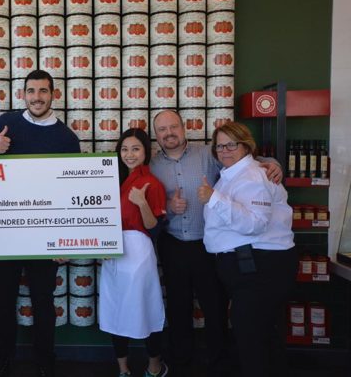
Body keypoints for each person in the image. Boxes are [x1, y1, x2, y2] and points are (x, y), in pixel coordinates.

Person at [149, 110, 282, 376]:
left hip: (208, 246)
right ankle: (181, 364)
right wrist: (168, 206)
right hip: (173, 245)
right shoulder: (152, 165)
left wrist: (270, 161)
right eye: (162, 130)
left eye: (173, 126)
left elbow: (241, 160)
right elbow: (153, 206)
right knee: (177, 307)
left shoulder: (208, 155)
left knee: (215, 307)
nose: (168, 133)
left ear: (183, 128)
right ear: (156, 135)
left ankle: (218, 364)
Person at [0, 70, 80, 377]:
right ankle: (2, 361)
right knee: (3, 303)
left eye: (43, 91)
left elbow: (74, 193)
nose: (37, 97)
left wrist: (69, 240)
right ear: (23, 94)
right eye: (31, 91)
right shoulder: (7, 123)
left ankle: (46, 362)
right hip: (4, 233)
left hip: (46, 237)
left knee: (43, 302)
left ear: (54, 94)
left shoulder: (67, 138)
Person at [198, 121, 297, 377]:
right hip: (249, 266)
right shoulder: (234, 172)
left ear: (245, 145)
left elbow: (254, 223)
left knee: (250, 336)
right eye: (219, 146)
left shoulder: (253, 175)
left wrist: (214, 199)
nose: (224, 150)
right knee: (260, 332)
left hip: (259, 267)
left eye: (231, 144)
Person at [99, 128, 168, 377]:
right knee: (116, 309)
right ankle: (123, 369)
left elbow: (154, 229)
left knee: (145, 308)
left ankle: (154, 366)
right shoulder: (112, 180)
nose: (129, 154)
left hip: (139, 253)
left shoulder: (152, 183)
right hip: (112, 252)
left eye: (135, 149)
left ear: (146, 152)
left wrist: (142, 203)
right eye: (125, 149)